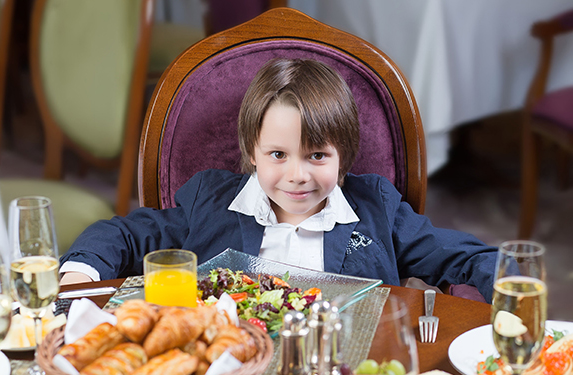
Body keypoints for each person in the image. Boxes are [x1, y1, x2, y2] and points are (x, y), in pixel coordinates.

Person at [60, 58, 497, 301]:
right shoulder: (209, 202)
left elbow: (458, 255)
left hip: (344, 373)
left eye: (317, 155)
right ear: (252, 152)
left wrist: (510, 281)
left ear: (342, 155)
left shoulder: (375, 208)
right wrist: (80, 271)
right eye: (278, 155)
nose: (297, 175)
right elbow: (125, 234)